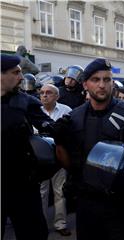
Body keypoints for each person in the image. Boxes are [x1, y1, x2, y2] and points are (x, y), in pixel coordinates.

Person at [54, 58, 124, 240]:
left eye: (107, 80)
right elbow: (70, 165)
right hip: (86, 204)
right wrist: (59, 141)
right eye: (96, 80)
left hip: (122, 206)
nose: (102, 85)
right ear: (85, 84)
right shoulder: (74, 118)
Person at [1, 53, 53, 239]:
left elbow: (51, 127)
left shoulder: (26, 102)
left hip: (22, 184)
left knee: (34, 233)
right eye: (15, 73)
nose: (21, 78)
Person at [39, 84, 72, 236]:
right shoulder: (36, 111)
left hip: (59, 157)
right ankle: (41, 224)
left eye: (49, 93)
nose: (44, 95)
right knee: (42, 192)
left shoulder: (66, 111)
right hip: (40, 160)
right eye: (42, 93)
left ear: (57, 96)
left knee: (60, 191)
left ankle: (60, 224)